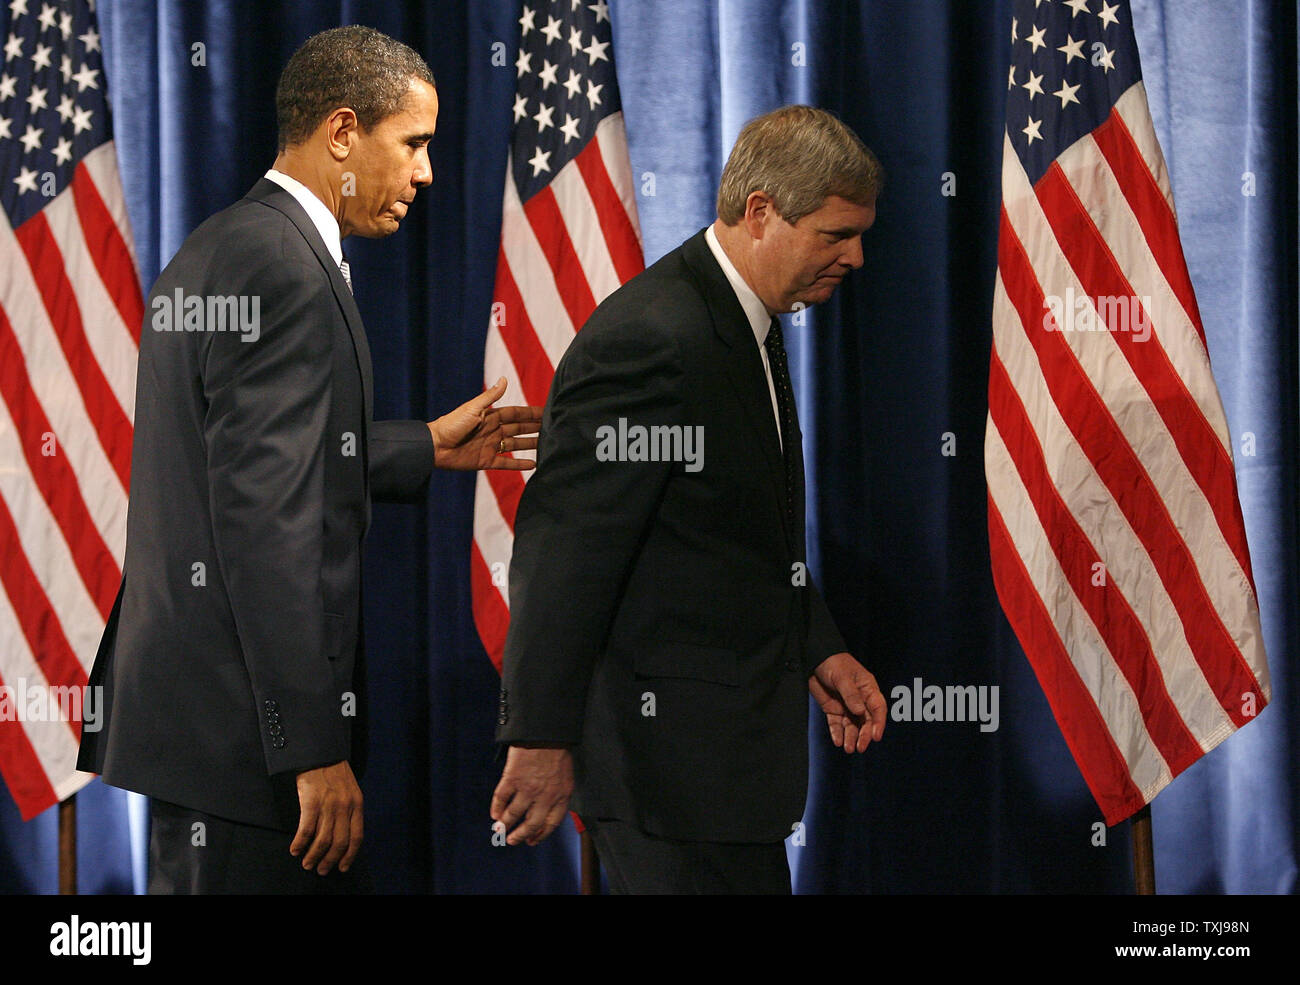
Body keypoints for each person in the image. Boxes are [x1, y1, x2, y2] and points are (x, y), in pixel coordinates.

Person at [78, 26, 541, 894]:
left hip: (202, 732)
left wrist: (419, 446)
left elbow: (246, 469)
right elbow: (266, 526)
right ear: (340, 133)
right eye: (412, 143)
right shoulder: (284, 268)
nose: (427, 172)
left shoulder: (227, 243)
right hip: (248, 745)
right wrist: (312, 746)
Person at [490, 105, 888, 893]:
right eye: (836, 234)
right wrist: (539, 737)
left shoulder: (749, 320)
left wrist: (818, 644)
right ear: (761, 212)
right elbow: (565, 550)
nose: (857, 257)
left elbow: (739, 533)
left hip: (724, 776)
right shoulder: (654, 338)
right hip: (666, 777)